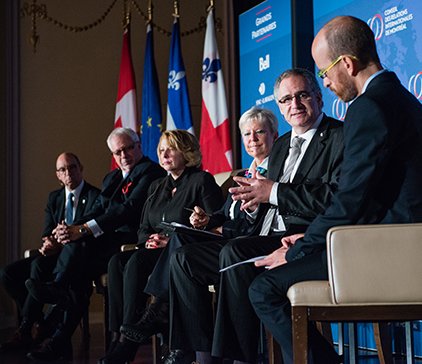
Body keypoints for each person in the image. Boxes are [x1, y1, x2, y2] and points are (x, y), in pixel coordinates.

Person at [124, 68, 345, 364]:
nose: (295, 104)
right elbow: (265, 202)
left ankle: (239, 358)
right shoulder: (280, 147)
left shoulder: (338, 136)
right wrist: (253, 203)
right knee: (183, 257)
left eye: (302, 95)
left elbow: (335, 199)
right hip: (258, 233)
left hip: (295, 239)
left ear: (318, 97)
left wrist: (271, 193)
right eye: (286, 99)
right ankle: (199, 354)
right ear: (279, 106)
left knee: (234, 251)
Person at [249, 16, 422, 364]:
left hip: (389, 250)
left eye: (325, 72)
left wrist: (300, 251)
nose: (325, 82)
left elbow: (350, 198)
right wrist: (316, 239)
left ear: (347, 63)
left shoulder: (368, 107)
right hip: (393, 238)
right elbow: (375, 195)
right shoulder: (401, 98)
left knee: (263, 289)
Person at [120, 107, 278, 350]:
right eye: (247, 134)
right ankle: (177, 342)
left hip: (246, 245)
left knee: (178, 248)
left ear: (275, 135)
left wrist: (216, 229)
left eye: (259, 132)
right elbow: (224, 214)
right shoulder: (245, 173)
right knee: (158, 253)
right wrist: (206, 220)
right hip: (224, 241)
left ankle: (168, 324)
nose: (252, 139)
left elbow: (252, 223)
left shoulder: (276, 172)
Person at [24, 127, 166, 362]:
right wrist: (71, 228)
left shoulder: (150, 172)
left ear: (138, 146)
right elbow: (96, 209)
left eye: (127, 148)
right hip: (106, 240)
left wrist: (82, 230)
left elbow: (126, 211)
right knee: (78, 279)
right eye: (117, 152)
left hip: (128, 240)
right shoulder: (112, 177)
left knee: (79, 248)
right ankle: (59, 339)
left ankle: (58, 295)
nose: (123, 156)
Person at [98, 129, 224, 364]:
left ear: (186, 152)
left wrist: (169, 240)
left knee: (136, 262)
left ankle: (130, 342)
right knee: (116, 262)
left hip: (182, 252)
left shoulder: (201, 180)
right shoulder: (157, 186)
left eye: (171, 148)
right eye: (161, 150)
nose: (164, 154)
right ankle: (120, 335)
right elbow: (144, 226)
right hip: (154, 250)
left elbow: (215, 220)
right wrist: (150, 239)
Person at [0, 152, 100, 353]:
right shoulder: (54, 198)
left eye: (72, 167)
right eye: (63, 169)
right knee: (7, 274)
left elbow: (91, 232)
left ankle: (26, 330)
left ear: (81, 169)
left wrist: (63, 240)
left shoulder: (95, 196)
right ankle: (41, 323)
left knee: (38, 266)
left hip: (76, 259)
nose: (68, 172)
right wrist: (49, 243)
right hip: (53, 256)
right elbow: (47, 232)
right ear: (58, 175)